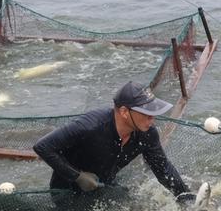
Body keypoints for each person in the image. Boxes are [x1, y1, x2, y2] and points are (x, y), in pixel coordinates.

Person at [33, 81, 194, 203]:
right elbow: (43, 147)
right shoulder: (90, 125)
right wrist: (78, 177)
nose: (152, 119)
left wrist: (187, 199)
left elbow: (163, 169)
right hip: (67, 192)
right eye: (147, 113)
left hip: (105, 185)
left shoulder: (147, 134)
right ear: (124, 112)